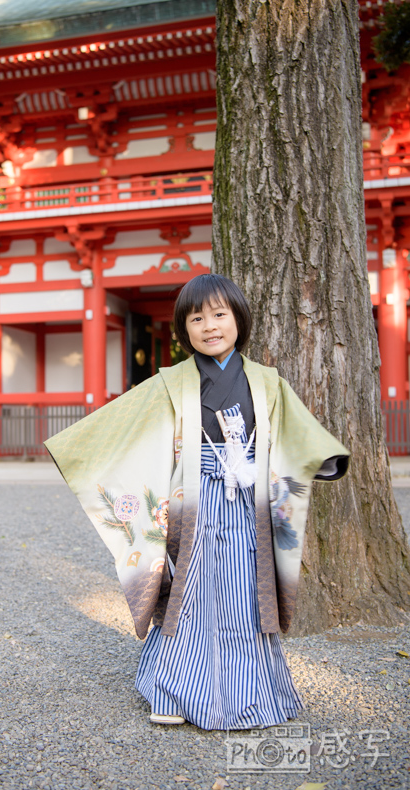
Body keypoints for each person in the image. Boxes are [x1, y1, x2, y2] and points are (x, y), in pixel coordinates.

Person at [44, 273, 349, 731]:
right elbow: (124, 427)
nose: (210, 326)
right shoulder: (169, 382)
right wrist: (81, 451)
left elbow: (296, 432)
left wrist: (320, 457)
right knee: (187, 593)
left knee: (245, 595)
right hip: (195, 504)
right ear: (184, 330)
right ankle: (173, 689)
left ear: (238, 320)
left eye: (220, 315)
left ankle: (254, 693)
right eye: (197, 318)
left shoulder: (266, 382)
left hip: (247, 505)